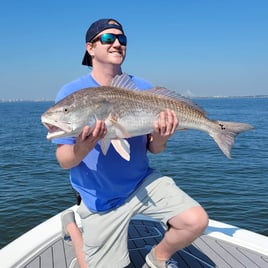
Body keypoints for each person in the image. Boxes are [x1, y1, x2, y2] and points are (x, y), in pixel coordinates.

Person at [53, 18, 208, 268]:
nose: (116, 43)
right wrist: (83, 146)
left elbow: (155, 149)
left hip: (140, 182)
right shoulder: (73, 94)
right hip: (100, 197)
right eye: (107, 38)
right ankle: (72, 225)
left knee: (196, 220)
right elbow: (64, 160)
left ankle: (157, 258)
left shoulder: (143, 88)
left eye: (121, 39)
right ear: (90, 48)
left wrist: (161, 138)